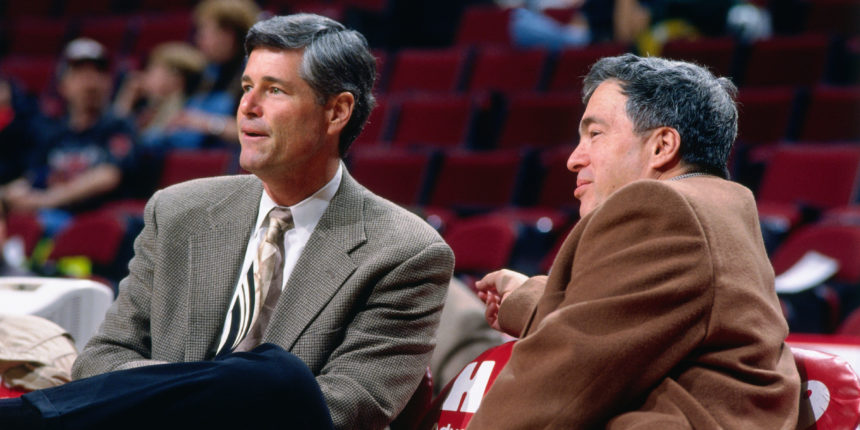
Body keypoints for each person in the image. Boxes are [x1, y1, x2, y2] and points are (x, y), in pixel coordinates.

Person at [0, 13, 454, 430]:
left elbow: (344, 409)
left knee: (281, 377)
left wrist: (170, 393)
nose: (247, 107)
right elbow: (100, 359)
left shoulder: (407, 253)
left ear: (337, 111)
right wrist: (203, 392)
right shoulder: (177, 211)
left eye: (274, 90)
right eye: (246, 87)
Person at [469, 54, 800, 428]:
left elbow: (566, 372)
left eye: (594, 134)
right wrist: (526, 298)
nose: (574, 159)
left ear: (662, 146)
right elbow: (626, 323)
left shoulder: (663, 208)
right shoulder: (715, 204)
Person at [1, 38, 136, 236]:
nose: (90, 82)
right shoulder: (54, 131)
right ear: (63, 85)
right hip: (49, 215)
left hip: (91, 221)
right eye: (80, 74)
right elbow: (34, 176)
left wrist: (46, 200)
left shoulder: (118, 125)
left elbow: (108, 176)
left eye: (98, 73)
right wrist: (7, 194)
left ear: (109, 82)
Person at [164, 0, 260, 148]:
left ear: (228, 35)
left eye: (205, 32)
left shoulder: (254, 73)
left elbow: (258, 129)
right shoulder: (207, 74)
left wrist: (207, 124)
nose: (198, 40)